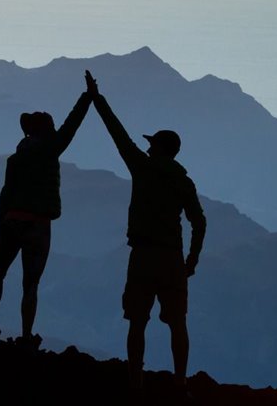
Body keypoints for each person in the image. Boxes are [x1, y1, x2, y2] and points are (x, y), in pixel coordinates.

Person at [86, 70, 207, 391]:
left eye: (152, 144)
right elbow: (200, 222)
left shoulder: (142, 168)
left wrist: (97, 98)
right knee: (178, 324)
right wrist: (192, 260)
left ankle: (134, 383)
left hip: (143, 257)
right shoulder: (184, 182)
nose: (149, 148)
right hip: (172, 259)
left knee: (137, 322)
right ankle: (180, 384)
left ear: (157, 148)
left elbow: (117, 133)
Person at [0, 71, 96, 350]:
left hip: (11, 223)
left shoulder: (16, 158)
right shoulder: (50, 149)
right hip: (38, 226)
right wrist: (88, 97)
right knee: (29, 285)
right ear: (46, 129)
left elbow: (5, 194)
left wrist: (2, 221)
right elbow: (72, 125)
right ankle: (26, 334)